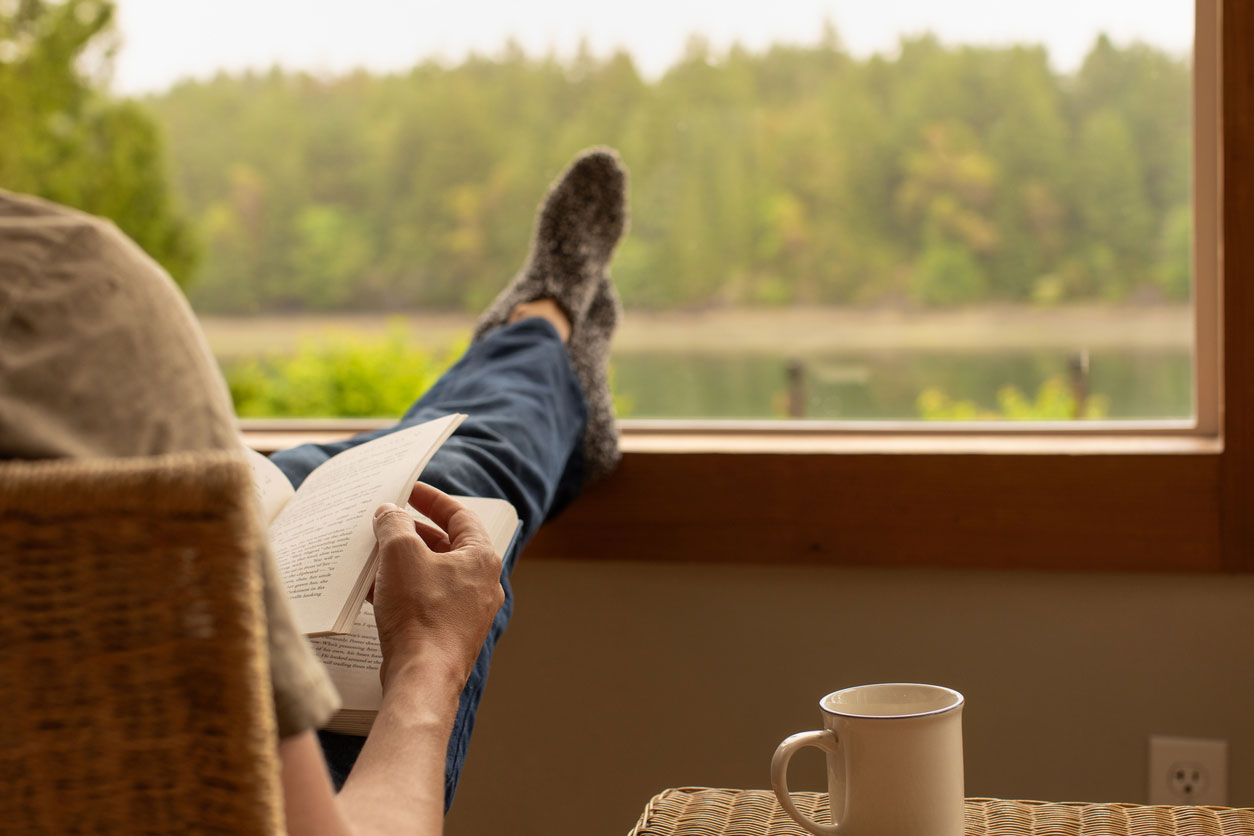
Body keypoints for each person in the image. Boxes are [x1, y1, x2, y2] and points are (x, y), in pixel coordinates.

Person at [0, 147, 629, 833]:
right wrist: (429, 657)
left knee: (306, 476)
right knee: (450, 480)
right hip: (194, 788)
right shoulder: (61, 288)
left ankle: (528, 341)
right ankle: (541, 329)